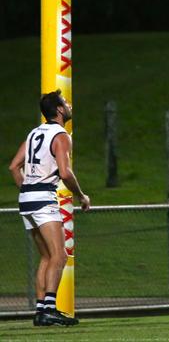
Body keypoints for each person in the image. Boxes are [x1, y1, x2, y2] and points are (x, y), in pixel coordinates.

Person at [8, 90, 91, 327]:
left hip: (27, 199)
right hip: (43, 198)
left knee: (46, 256)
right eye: (66, 103)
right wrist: (82, 196)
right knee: (59, 255)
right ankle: (50, 310)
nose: (69, 105)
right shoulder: (61, 135)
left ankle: (41, 310)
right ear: (59, 110)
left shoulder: (34, 133)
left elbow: (14, 166)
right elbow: (65, 173)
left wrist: (28, 189)